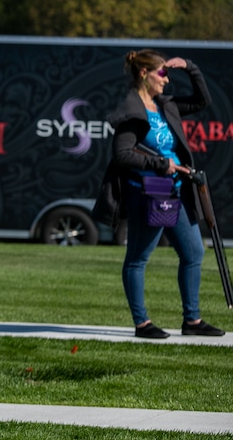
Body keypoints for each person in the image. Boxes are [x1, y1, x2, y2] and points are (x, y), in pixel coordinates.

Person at [93, 49, 224, 339]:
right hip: (147, 195)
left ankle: (192, 321)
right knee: (138, 258)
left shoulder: (165, 105)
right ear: (144, 74)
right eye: (161, 73)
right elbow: (122, 155)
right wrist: (161, 163)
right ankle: (142, 324)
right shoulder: (131, 111)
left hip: (175, 193)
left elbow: (203, 100)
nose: (166, 79)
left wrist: (190, 67)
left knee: (193, 253)